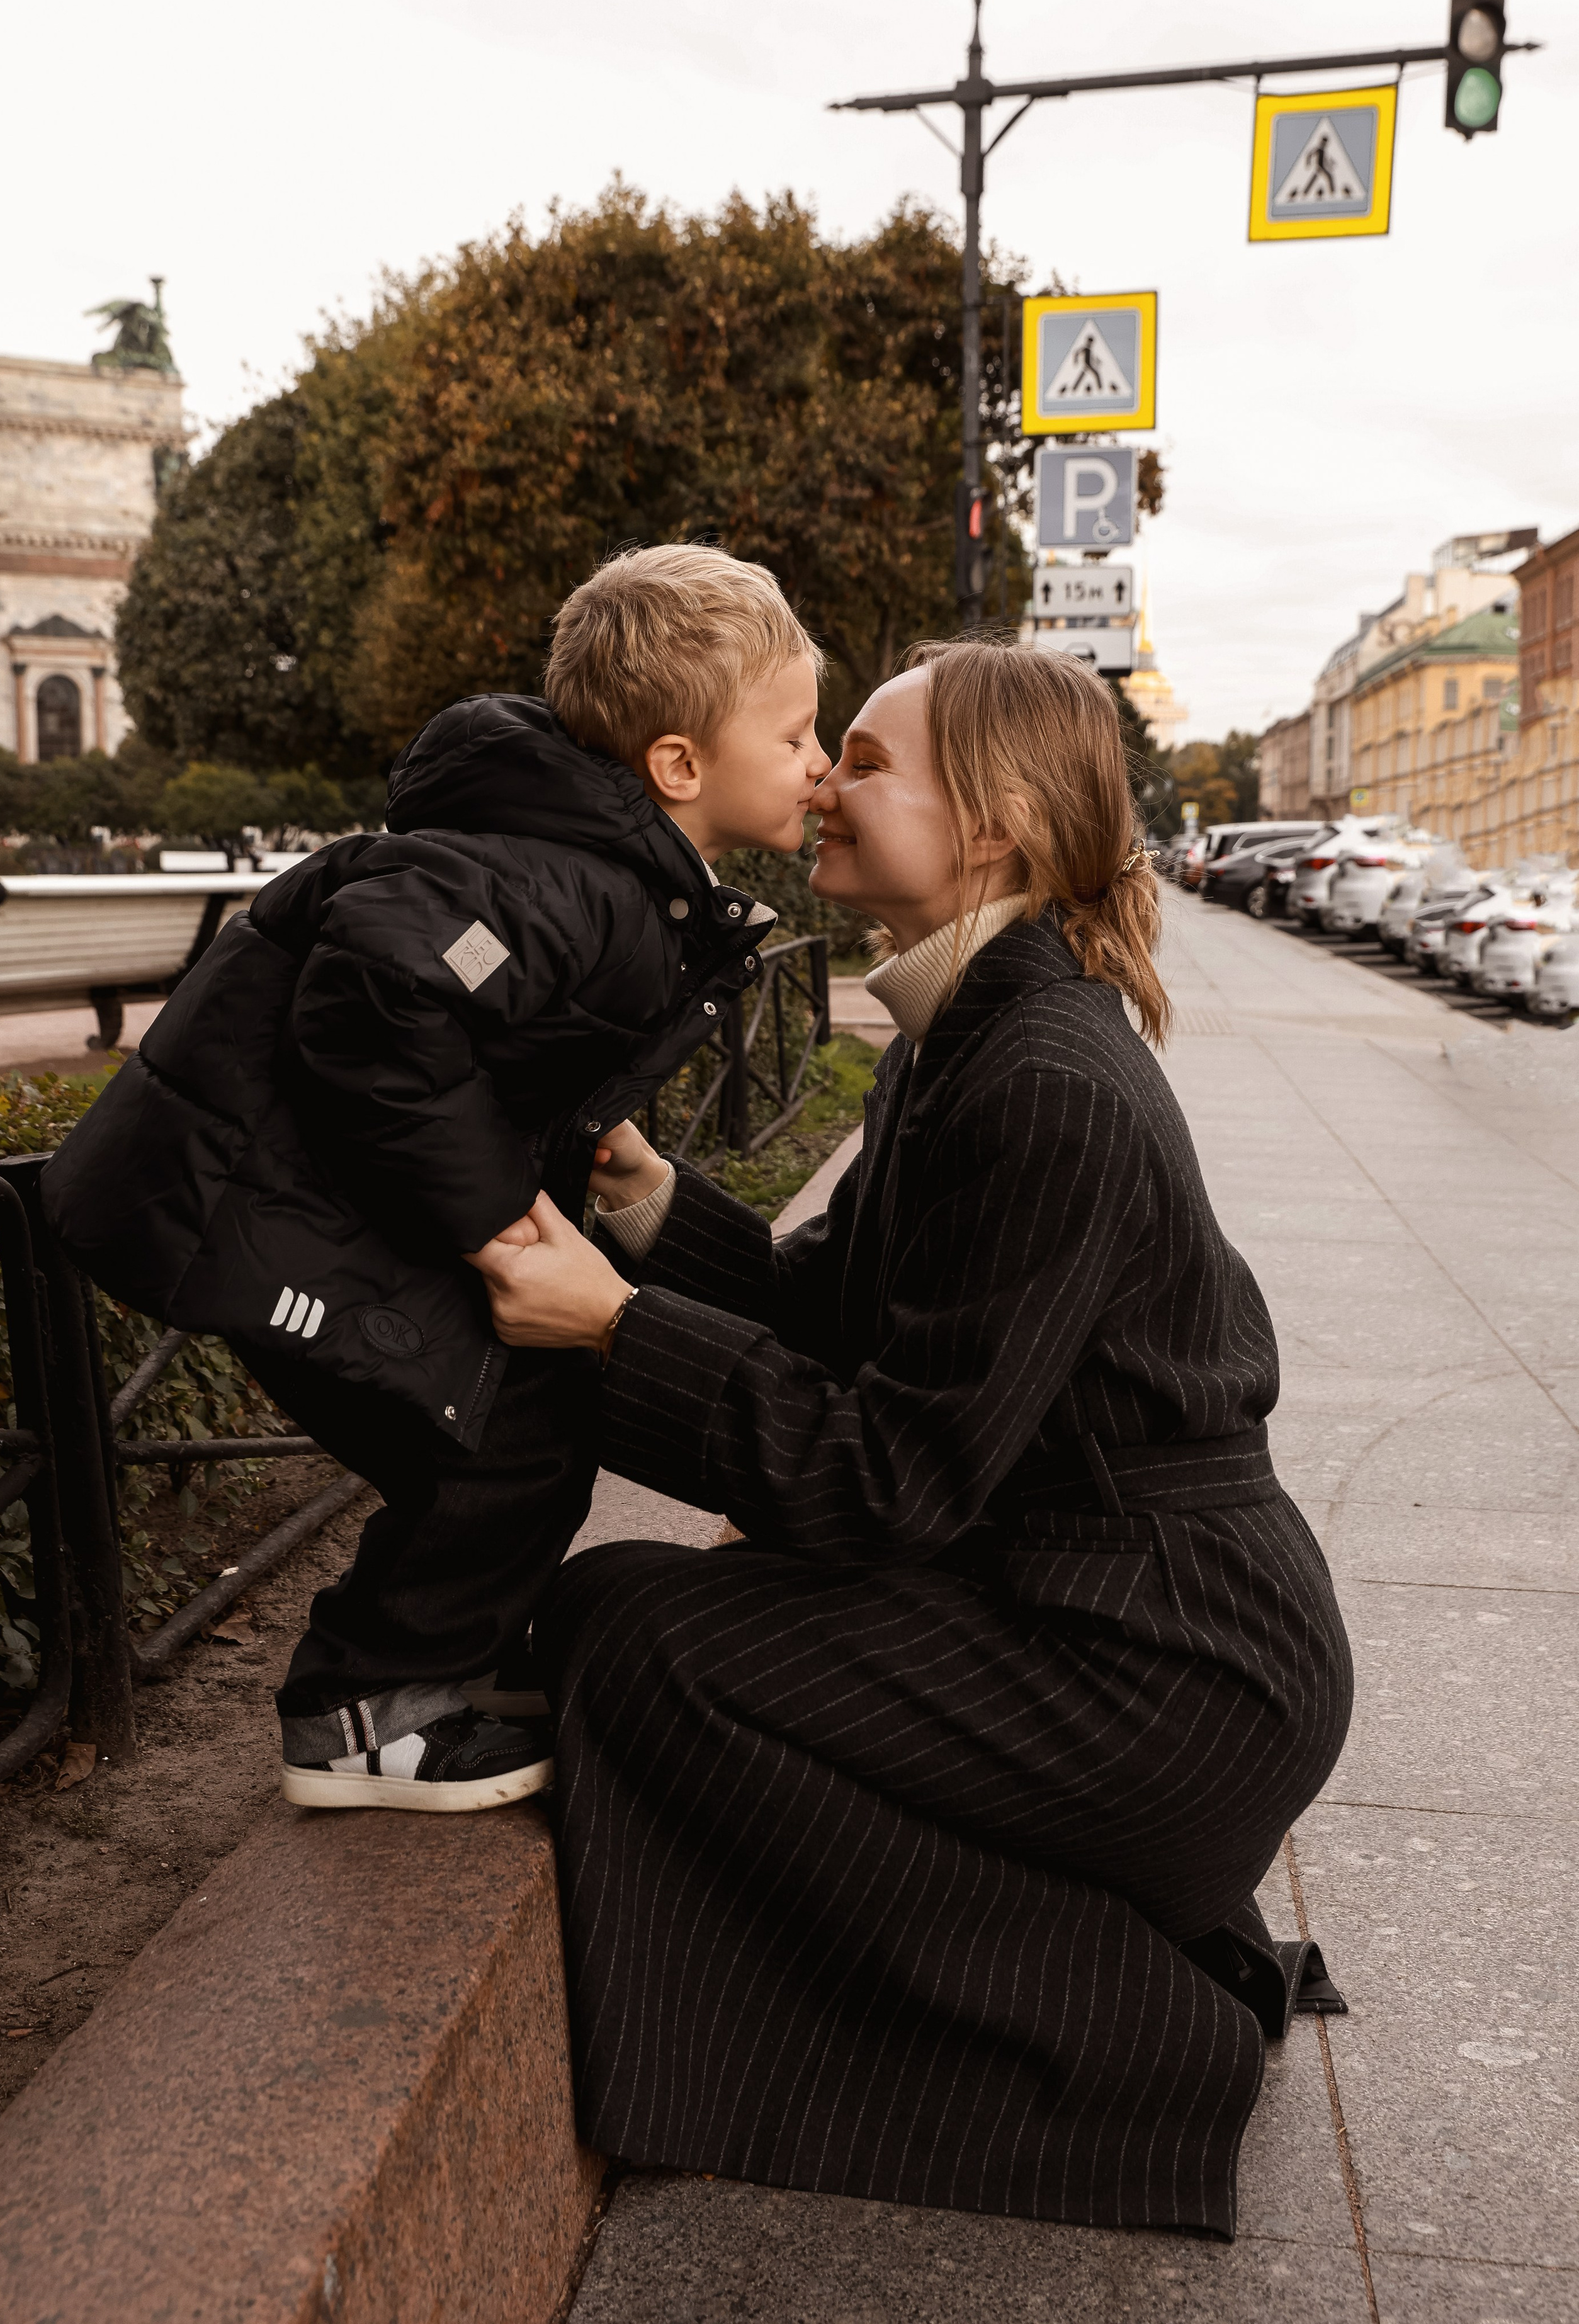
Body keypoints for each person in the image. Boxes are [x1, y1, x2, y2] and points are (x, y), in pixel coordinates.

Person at [468, 638, 1355, 2239]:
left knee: (640, 1639)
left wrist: (611, 1331)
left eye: (865, 761)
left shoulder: (1040, 1076)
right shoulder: (974, 1030)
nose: (820, 780)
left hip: (1167, 1681)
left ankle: (1120, 2045)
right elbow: (839, 1312)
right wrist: (648, 1203)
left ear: (994, 824)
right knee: (618, 1617)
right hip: (1108, 1615)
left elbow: (890, 1479)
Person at [43, 545, 830, 1812]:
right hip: (263, 1208)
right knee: (504, 1439)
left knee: (526, 1422)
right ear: (680, 765)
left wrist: (575, 1138)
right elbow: (380, 991)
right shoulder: (583, 883)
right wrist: (492, 1223)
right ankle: (367, 1708)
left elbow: (477, 1029)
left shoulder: (602, 871)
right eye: (794, 736)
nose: (818, 762)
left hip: (313, 1204)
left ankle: (446, 1665)